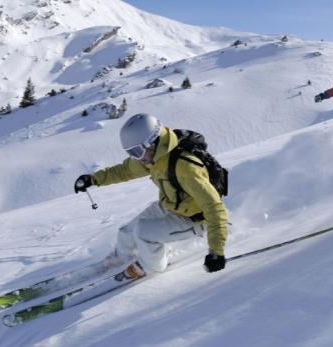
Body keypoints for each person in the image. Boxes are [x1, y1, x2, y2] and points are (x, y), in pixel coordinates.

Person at [74, 113, 229, 279]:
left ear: (153, 142)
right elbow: (125, 170)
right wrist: (93, 179)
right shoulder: (153, 157)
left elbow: (214, 207)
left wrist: (216, 253)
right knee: (127, 231)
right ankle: (120, 258)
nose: (136, 158)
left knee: (144, 233)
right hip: (171, 205)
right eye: (131, 152)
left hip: (194, 219)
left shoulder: (186, 167)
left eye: (137, 151)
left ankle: (151, 267)